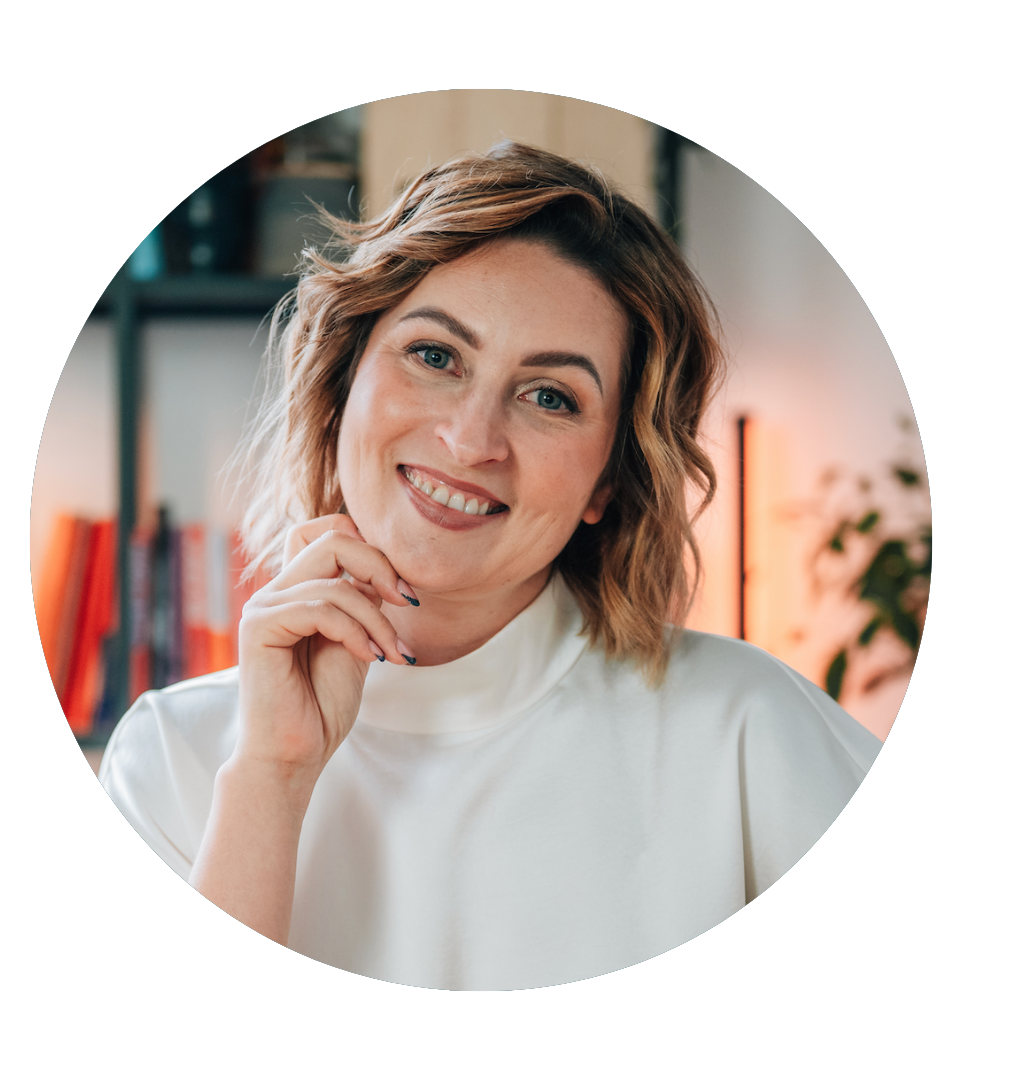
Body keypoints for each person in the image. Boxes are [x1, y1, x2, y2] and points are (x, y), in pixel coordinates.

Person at [99, 142, 881, 990]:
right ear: (345, 377)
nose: (471, 440)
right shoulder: (174, 753)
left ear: (608, 480)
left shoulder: (748, 732)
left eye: (550, 397)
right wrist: (274, 777)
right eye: (435, 356)